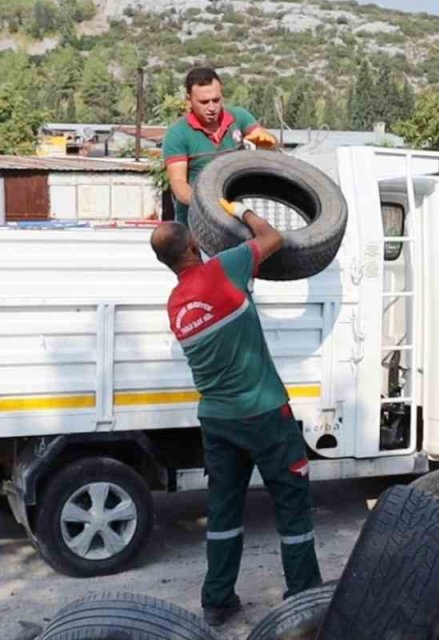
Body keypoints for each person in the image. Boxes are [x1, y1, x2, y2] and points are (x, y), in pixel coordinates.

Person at [149, 200, 321, 627]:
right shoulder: (225, 269)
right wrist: (241, 209)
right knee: (292, 507)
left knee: (224, 512)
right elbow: (273, 239)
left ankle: (218, 599)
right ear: (193, 243)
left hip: (218, 421)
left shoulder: (175, 304)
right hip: (264, 413)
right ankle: (304, 597)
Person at [163, 67, 279, 224]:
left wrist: (268, 142)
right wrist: (210, 206)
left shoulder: (238, 116)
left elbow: (264, 136)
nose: (211, 107)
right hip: (195, 223)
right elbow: (178, 184)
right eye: (204, 102)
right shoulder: (177, 133)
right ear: (188, 100)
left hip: (235, 219)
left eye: (216, 100)